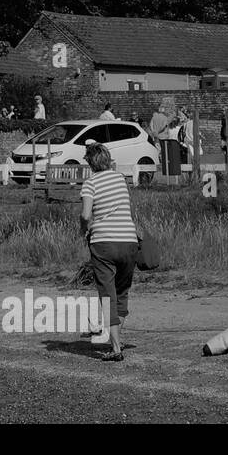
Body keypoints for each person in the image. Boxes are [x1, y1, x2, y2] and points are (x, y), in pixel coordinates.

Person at [79, 143, 138, 362]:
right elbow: (128, 209)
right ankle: (116, 339)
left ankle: (115, 348)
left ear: (89, 162)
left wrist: (83, 230)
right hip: (129, 241)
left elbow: (86, 215)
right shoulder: (120, 179)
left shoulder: (90, 184)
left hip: (104, 243)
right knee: (122, 292)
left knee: (107, 295)